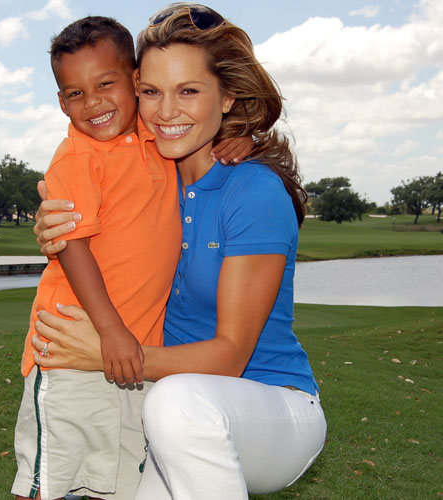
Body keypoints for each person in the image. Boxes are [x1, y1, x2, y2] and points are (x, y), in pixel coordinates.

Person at [30, 3, 327, 500]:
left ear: (227, 96)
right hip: (169, 407)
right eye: (151, 92)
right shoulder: (149, 171)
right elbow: (97, 231)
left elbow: (230, 359)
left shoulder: (252, 190)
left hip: (270, 406)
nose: (166, 112)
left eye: (189, 91)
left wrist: (108, 352)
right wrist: (56, 229)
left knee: (175, 403)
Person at [13, 14, 253, 500]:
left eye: (106, 83)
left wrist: (236, 136)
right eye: (75, 93)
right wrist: (110, 331)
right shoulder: (78, 157)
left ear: (135, 82)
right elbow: (72, 244)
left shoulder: (155, 142)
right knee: (52, 481)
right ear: (61, 102)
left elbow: (199, 134)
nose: (94, 102)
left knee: (115, 483)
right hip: (74, 347)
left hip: (132, 359)